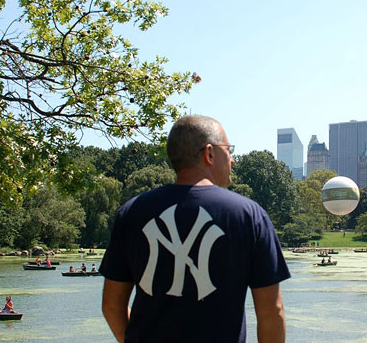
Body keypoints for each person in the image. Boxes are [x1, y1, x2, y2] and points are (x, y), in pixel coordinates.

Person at [100, 115, 290, 343]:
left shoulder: (131, 212)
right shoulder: (249, 215)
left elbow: (111, 306)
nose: (233, 159)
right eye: (228, 150)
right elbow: (272, 311)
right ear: (209, 153)